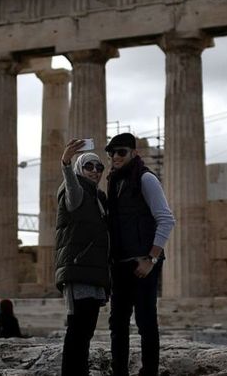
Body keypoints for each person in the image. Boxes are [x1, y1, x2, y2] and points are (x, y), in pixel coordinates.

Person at [106, 133, 175, 376]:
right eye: (112, 152)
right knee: (117, 325)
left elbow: (166, 220)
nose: (115, 156)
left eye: (121, 152)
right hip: (120, 265)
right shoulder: (114, 182)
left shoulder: (146, 179)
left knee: (146, 323)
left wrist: (151, 259)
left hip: (144, 263)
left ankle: (149, 372)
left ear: (134, 153)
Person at [56, 139, 111, 375]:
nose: (95, 172)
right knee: (77, 330)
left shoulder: (98, 198)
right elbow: (71, 186)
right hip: (79, 270)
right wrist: (66, 162)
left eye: (99, 168)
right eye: (89, 166)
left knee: (86, 330)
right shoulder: (76, 193)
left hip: (94, 272)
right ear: (80, 169)